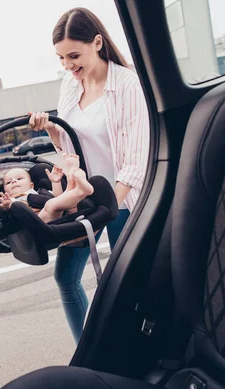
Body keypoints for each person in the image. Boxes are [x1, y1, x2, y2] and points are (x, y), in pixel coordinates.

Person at [28, 7, 150, 342]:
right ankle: (87, 355)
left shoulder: (128, 85)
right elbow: (69, 144)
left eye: (73, 55)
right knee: (66, 277)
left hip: (122, 202)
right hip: (83, 200)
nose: (68, 65)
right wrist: (52, 127)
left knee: (121, 285)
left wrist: (106, 211)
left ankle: (131, 353)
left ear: (97, 42)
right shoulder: (71, 83)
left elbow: (135, 165)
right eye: (61, 58)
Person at [0, 154, 94, 223]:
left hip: (57, 213)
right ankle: (79, 190)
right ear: (5, 191)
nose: (13, 181)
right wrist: (7, 207)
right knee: (51, 204)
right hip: (37, 222)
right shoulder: (10, 200)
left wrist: (56, 182)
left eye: (19, 178)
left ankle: (71, 181)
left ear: (31, 185)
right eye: (8, 182)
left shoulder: (37, 193)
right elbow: (7, 218)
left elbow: (57, 196)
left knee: (57, 199)